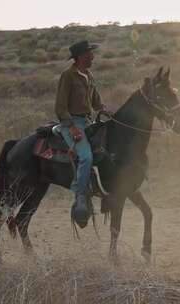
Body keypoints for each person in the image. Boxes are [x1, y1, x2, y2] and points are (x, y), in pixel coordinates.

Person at [55, 40, 106, 226]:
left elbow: (96, 102)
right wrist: (72, 127)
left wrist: (106, 111)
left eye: (92, 53)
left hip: (88, 121)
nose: (92, 56)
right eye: (89, 54)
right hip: (73, 123)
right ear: (79, 57)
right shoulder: (68, 76)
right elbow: (60, 106)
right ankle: (80, 195)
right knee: (85, 157)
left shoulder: (88, 74)